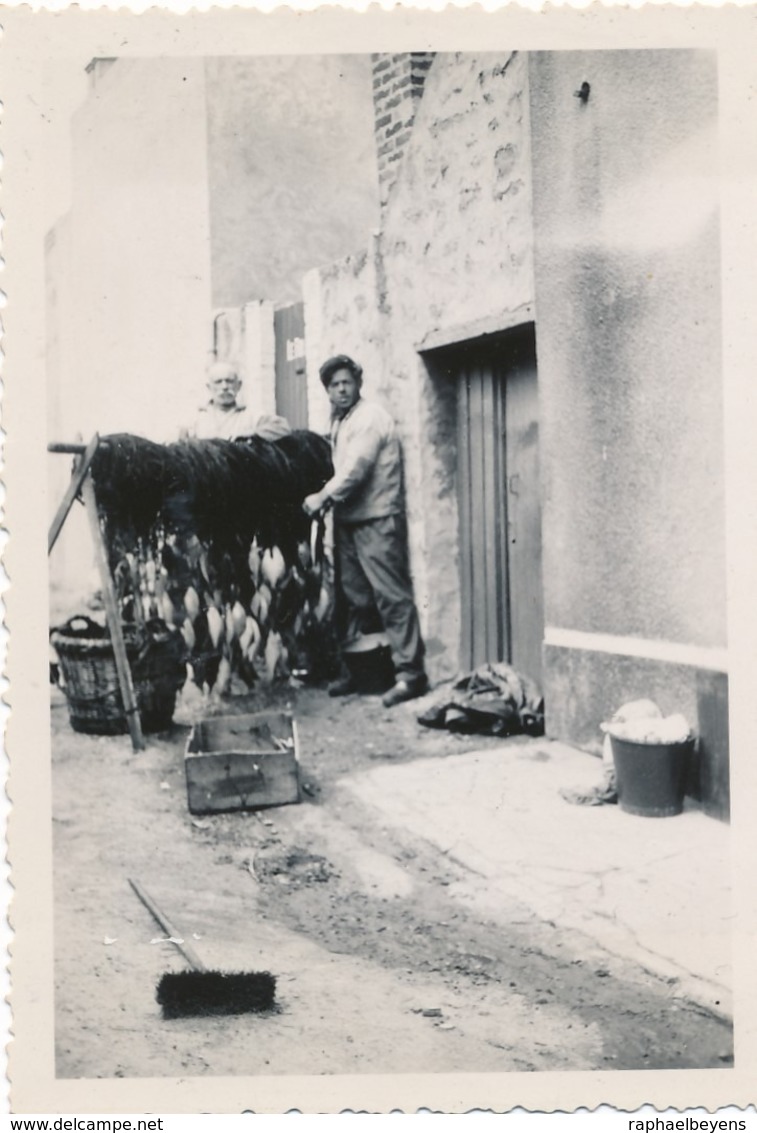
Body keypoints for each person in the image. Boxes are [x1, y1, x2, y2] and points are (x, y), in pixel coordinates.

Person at [303, 354, 428, 708]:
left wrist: (323, 497)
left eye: (347, 382)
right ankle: (362, 671)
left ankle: (409, 675)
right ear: (327, 390)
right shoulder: (341, 421)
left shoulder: (370, 419)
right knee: (354, 599)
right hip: (349, 519)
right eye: (334, 384)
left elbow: (356, 468)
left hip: (377, 517)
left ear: (358, 383)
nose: (342, 389)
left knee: (390, 595)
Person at [182, 360, 291, 442]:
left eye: (229, 381)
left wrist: (252, 433)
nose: (224, 387)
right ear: (209, 387)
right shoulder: (195, 418)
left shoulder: (250, 415)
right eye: (218, 382)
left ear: (238, 386)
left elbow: (283, 428)